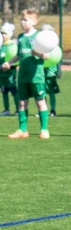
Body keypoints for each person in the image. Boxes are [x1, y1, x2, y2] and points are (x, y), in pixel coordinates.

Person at [4, 9, 50, 139]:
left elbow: (47, 56)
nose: (23, 22)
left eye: (26, 20)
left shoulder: (40, 37)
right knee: (22, 103)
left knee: (40, 102)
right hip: (23, 76)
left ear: (34, 21)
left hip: (37, 76)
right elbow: (19, 54)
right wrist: (9, 63)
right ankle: (22, 130)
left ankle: (44, 129)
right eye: (21, 20)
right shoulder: (20, 37)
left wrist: (38, 54)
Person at [0, 22, 16, 116]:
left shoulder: (13, 46)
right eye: (2, 33)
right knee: (4, 91)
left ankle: (18, 109)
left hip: (10, 73)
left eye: (5, 33)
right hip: (1, 74)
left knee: (14, 91)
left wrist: (10, 66)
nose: (3, 35)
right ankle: (6, 109)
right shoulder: (1, 46)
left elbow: (16, 59)